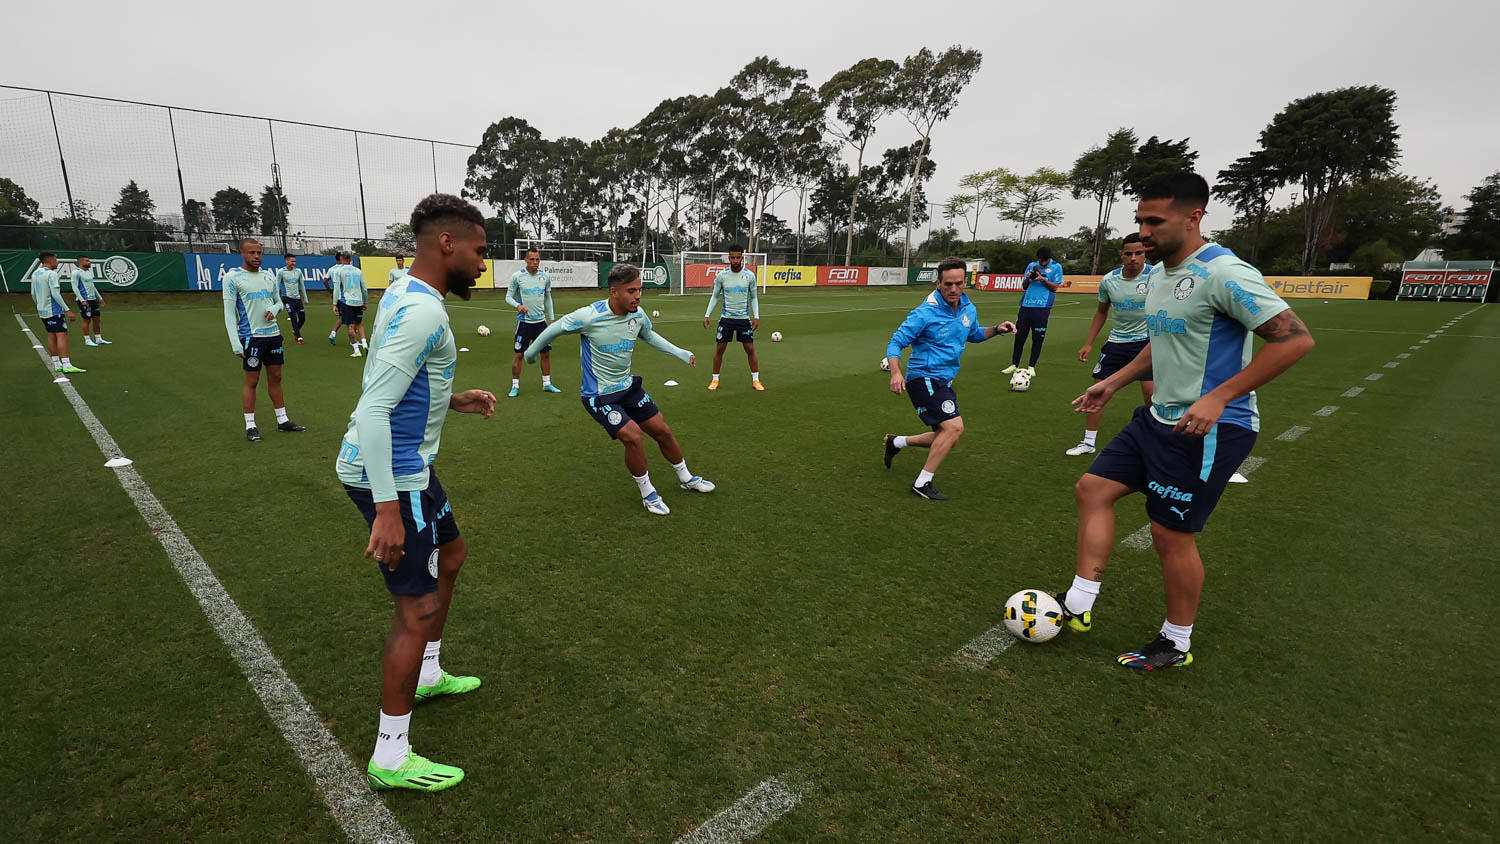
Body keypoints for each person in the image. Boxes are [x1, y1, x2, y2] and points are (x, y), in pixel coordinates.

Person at [1059, 172, 1314, 670]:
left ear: (1194, 217)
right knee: (1092, 489)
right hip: (1157, 416)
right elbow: (1163, 339)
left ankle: (1175, 642)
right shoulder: (1160, 274)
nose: (1144, 232)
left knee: (1169, 536)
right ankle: (1079, 604)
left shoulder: (1226, 273)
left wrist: (1219, 397)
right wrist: (1113, 382)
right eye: (1140, 221)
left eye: (1155, 221)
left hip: (1210, 429)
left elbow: (1296, 340)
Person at [337, 193, 495, 793]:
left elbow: (387, 378)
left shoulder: (403, 292)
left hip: (410, 467)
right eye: (479, 251)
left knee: (451, 555)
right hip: (391, 476)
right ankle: (391, 755)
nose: (484, 264)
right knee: (418, 608)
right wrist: (386, 509)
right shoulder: (424, 311)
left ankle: (428, 673)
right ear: (447, 243)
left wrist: (451, 398)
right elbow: (374, 407)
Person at [526, 263, 714, 515]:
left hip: (628, 388)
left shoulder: (638, 315)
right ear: (614, 292)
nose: (637, 296)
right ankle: (648, 493)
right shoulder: (589, 316)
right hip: (599, 396)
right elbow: (553, 330)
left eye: (640, 290)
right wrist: (530, 354)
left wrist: (680, 352)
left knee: (663, 431)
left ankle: (686, 478)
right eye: (631, 291)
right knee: (633, 437)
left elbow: (650, 335)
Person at [883, 257, 1015, 500]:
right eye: (947, 284)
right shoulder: (924, 313)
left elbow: (972, 334)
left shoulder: (968, 308)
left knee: (948, 438)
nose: (953, 289)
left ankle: (897, 442)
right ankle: (922, 484)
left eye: (958, 283)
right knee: (955, 428)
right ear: (938, 283)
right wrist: (895, 372)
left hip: (944, 380)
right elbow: (895, 343)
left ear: (966, 282)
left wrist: (996, 329)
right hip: (923, 378)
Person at [1067, 234, 1155, 456]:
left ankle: (1156, 442)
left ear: (1145, 253)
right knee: (1097, 392)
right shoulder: (1109, 280)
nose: (1133, 258)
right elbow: (1101, 312)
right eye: (1128, 253)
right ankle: (1088, 442)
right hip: (1116, 343)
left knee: (1151, 396)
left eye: (1139, 253)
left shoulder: (1157, 275)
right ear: (1121, 254)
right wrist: (1088, 343)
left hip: (1147, 343)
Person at [222, 238, 306, 442]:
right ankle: (250, 425)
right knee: (252, 380)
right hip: (251, 338)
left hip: (274, 335)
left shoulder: (269, 276)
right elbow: (229, 314)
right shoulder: (233, 278)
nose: (256, 256)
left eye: (259, 252)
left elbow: (278, 302)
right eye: (251, 253)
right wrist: (235, 343)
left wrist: (275, 309)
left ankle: (282, 420)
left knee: (276, 377)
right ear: (242, 253)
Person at [702, 246, 763, 391]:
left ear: (742, 258)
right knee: (720, 349)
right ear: (729, 258)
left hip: (743, 319)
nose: (735, 260)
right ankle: (715, 379)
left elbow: (754, 298)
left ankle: (756, 380)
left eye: (738, 257)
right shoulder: (722, 276)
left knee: (749, 348)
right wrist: (707, 314)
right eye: (733, 257)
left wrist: (757, 317)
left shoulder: (750, 276)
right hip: (726, 318)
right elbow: (715, 296)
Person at [504, 247, 561, 397]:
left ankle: (547, 384)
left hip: (541, 323)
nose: (535, 262)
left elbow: (548, 298)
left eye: (537, 259)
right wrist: (518, 305)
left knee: (545, 353)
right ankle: (515, 386)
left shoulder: (545, 277)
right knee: (519, 355)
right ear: (526, 260)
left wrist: (552, 318)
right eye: (532, 259)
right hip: (524, 323)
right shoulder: (517, 277)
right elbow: (508, 297)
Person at [1005, 246, 1063, 376]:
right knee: (1019, 336)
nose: (1041, 263)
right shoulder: (1032, 265)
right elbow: (1024, 286)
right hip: (1026, 306)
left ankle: (1031, 366)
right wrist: (1027, 278)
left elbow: (1055, 287)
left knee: (1037, 338)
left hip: (1042, 308)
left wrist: (1043, 279)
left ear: (1048, 258)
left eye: (1044, 260)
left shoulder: (1056, 267)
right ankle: (1014, 364)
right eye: (1040, 260)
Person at [31, 252, 84, 374]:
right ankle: (66, 364)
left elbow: (33, 294)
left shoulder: (35, 274)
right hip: (54, 310)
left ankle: (57, 364)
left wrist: (39, 305)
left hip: (42, 310)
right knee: (62, 335)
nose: (58, 262)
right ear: (50, 260)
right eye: (56, 260)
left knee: (51, 335)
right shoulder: (52, 274)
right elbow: (55, 294)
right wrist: (67, 309)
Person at [328, 251, 369, 356]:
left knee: (350, 326)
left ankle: (356, 351)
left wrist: (335, 304)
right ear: (351, 259)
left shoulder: (339, 271)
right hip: (358, 301)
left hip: (347, 302)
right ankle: (364, 343)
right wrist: (364, 302)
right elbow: (364, 288)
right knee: (359, 324)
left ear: (341, 259)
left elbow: (336, 289)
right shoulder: (358, 271)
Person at [70, 255, 110, 346]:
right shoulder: (76, 272)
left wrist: (100, 298)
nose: (89, 262)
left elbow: (93, 287)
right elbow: (74, 288)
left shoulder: (88, 272)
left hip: (93, 300)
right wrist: (82, 300)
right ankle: (87, 340)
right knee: (86, 320)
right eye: (87, 261)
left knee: (97, 319)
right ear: (80, 262)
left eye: (89, 260)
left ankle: (98, 338)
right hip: (85, 300)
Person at [276, 254, 310, 344]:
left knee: (302, 318)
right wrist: (277, 299)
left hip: (297, 298)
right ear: (286, 261)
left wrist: (305, 297)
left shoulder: (298, 271)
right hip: (287, 298)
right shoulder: (281, 272)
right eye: (292, 261)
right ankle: (299, 337)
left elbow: (302, 285)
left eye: (294, 261)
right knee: (293, 317)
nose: (293, 263)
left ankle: (295, 330)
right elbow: (276, 286)